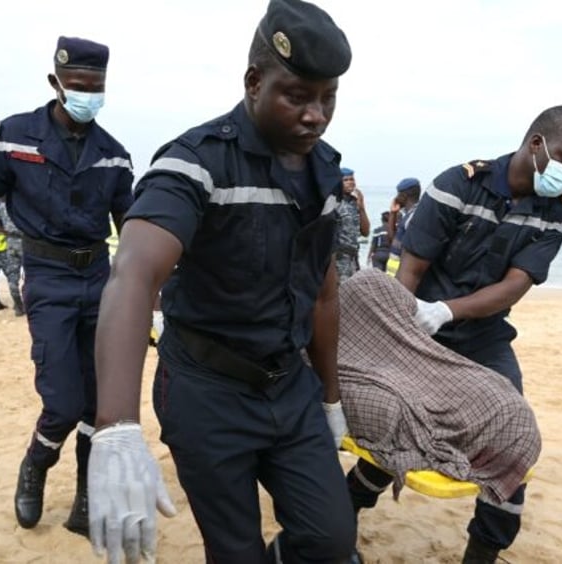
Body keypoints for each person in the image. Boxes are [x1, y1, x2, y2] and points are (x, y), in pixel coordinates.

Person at [87, 1, 356, 562]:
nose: (316, 115)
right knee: (234, 550)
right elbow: (134, 271)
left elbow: (324, 288)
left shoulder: (325, 171)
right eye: (298, 95)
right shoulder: (197, 163)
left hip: (290, 387)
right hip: (208, 391)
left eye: (327, 97)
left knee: (331, 540)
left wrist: (331, 398)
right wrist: (115, 425)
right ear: (254, 82)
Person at [346, 105, 562, 563]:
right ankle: (348, 511)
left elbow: (515, 285)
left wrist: (448, 311)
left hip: (482, 335)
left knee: (513, 431)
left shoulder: (556, 214)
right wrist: (406, 337)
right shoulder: (457, 185)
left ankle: (481, 555)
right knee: (400, 426)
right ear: (536, 144)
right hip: (418, 326)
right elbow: (412, 271)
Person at [0, 36, 133, 537]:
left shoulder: (114, 155)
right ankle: (36, 464)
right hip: (47, 279)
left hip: (100, 280)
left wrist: (151, 301)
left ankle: (87, 495)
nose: (88, 96)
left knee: (100, 404)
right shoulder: (14, 136)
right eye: (78, 87)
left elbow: (133, 234)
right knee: (64, 402)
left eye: (97, 88)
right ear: (56, 83)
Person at [334, 166, 369, 283]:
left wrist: (361, 207)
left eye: (352, 179)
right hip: (338, 258)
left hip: (353, 258)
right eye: (346, 180)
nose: (350, 183)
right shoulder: (334, 203)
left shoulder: (355, 203)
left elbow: (365, 232)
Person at [384, 177, 421, 277]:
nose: (396, 197)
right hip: (394, 274)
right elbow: (393, 240)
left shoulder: (413, 216)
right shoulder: (408, 215)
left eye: (398, 194)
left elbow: (410, 249)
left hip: (402, 275)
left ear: (404, 195)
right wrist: (393, 214)